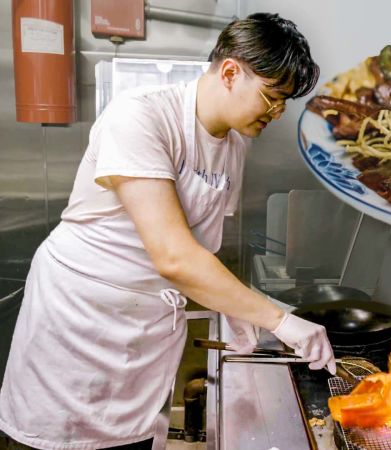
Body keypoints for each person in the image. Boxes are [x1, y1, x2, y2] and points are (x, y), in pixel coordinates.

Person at [0, 12, 335, 450]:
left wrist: (238, 307)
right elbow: (173, 256)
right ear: (231, 72)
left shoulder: (233, 145)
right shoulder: (141, 116)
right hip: (81, 324)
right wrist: (278, 319)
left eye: (286, 102)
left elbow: (198, 249)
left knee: (130, 441)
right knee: (58, 442)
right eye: (273, 97)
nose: (278, 112)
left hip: (144, 332)